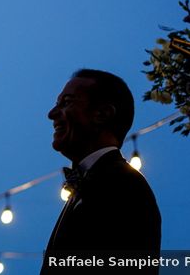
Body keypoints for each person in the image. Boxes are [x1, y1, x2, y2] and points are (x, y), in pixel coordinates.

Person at [41, 69, 161, 275]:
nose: (51, 113)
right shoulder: (92, 184)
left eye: (66, 102)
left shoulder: (125, 188)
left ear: (102, 114)